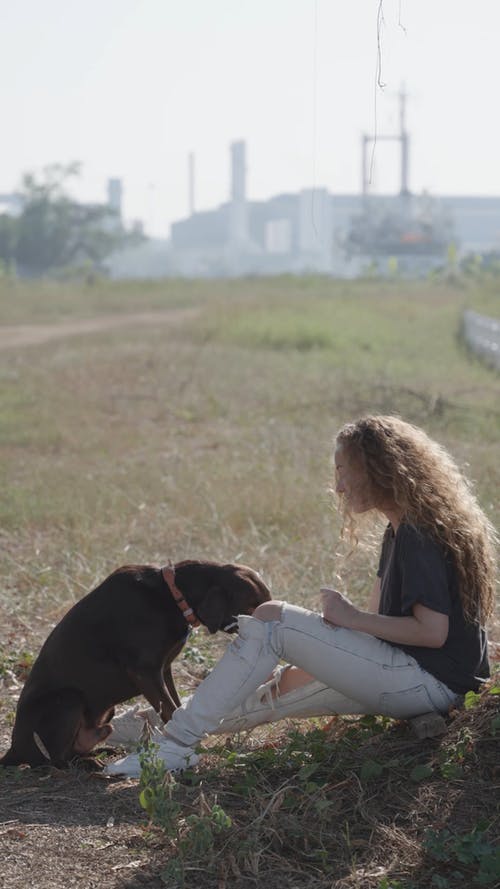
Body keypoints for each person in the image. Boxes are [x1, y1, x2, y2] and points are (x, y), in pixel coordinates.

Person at [105, 415, 497, 778]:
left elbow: (432, 633)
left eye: (345, 472)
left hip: (431, 684)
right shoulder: (399, 530)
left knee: (272, 618)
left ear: (379, 470)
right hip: (412, 674)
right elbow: (380, 634)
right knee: (262, 692)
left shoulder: (419, 534)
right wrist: (313, 656)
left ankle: (175, 747)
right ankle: (120, 729)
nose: (339, 486)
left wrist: (349, 618)